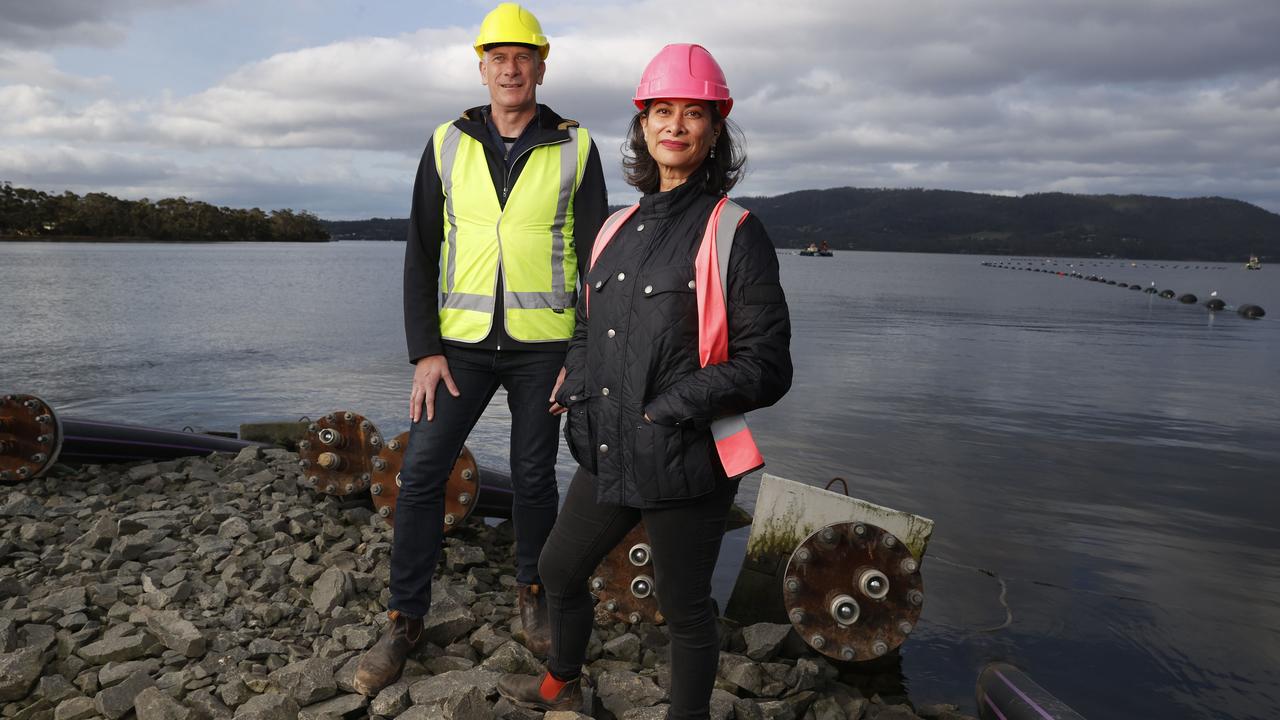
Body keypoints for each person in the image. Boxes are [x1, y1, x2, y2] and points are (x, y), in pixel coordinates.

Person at [497, 43, 792, 719]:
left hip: (686, 456)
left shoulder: (733, 231)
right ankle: (563, 679)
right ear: (643, 125)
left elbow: (766, 365)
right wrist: (575, 374)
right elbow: (586, 321)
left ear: (716, 129)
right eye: (662, 111)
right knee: (558, 570)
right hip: (606, 445)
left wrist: (669, 409)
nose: (675, 125)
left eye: (693, 113)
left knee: (684, 610)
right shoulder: (612, 229)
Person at [353, 2, 608, 696]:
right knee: (422, 468)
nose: (510, 67)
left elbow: (596, 264)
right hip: (458, 349)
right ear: (482, 66)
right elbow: (420, 251)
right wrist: (423, 350)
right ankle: (405, 616)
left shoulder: (577, 147)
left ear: (541, 65)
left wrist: (579, 358)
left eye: (522, 56)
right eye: (498, 56)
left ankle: (535, 592)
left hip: (544, 348)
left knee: (532, 476)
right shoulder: (445, 143)